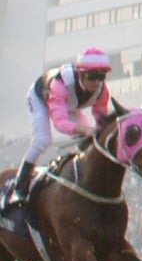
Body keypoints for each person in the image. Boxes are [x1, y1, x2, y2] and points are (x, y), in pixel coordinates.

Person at [7, 47, 112, 208]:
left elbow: (101, 118)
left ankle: (82, 180)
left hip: (69, 104)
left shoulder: (102, 91)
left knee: (90, 139)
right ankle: (19, 186)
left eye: (101, 76)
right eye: (92, 76)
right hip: (40, 99)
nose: (97, 82)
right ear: (81, 74)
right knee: (42, 140)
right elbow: (60, 123)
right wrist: (84, 130)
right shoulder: (60, 84)